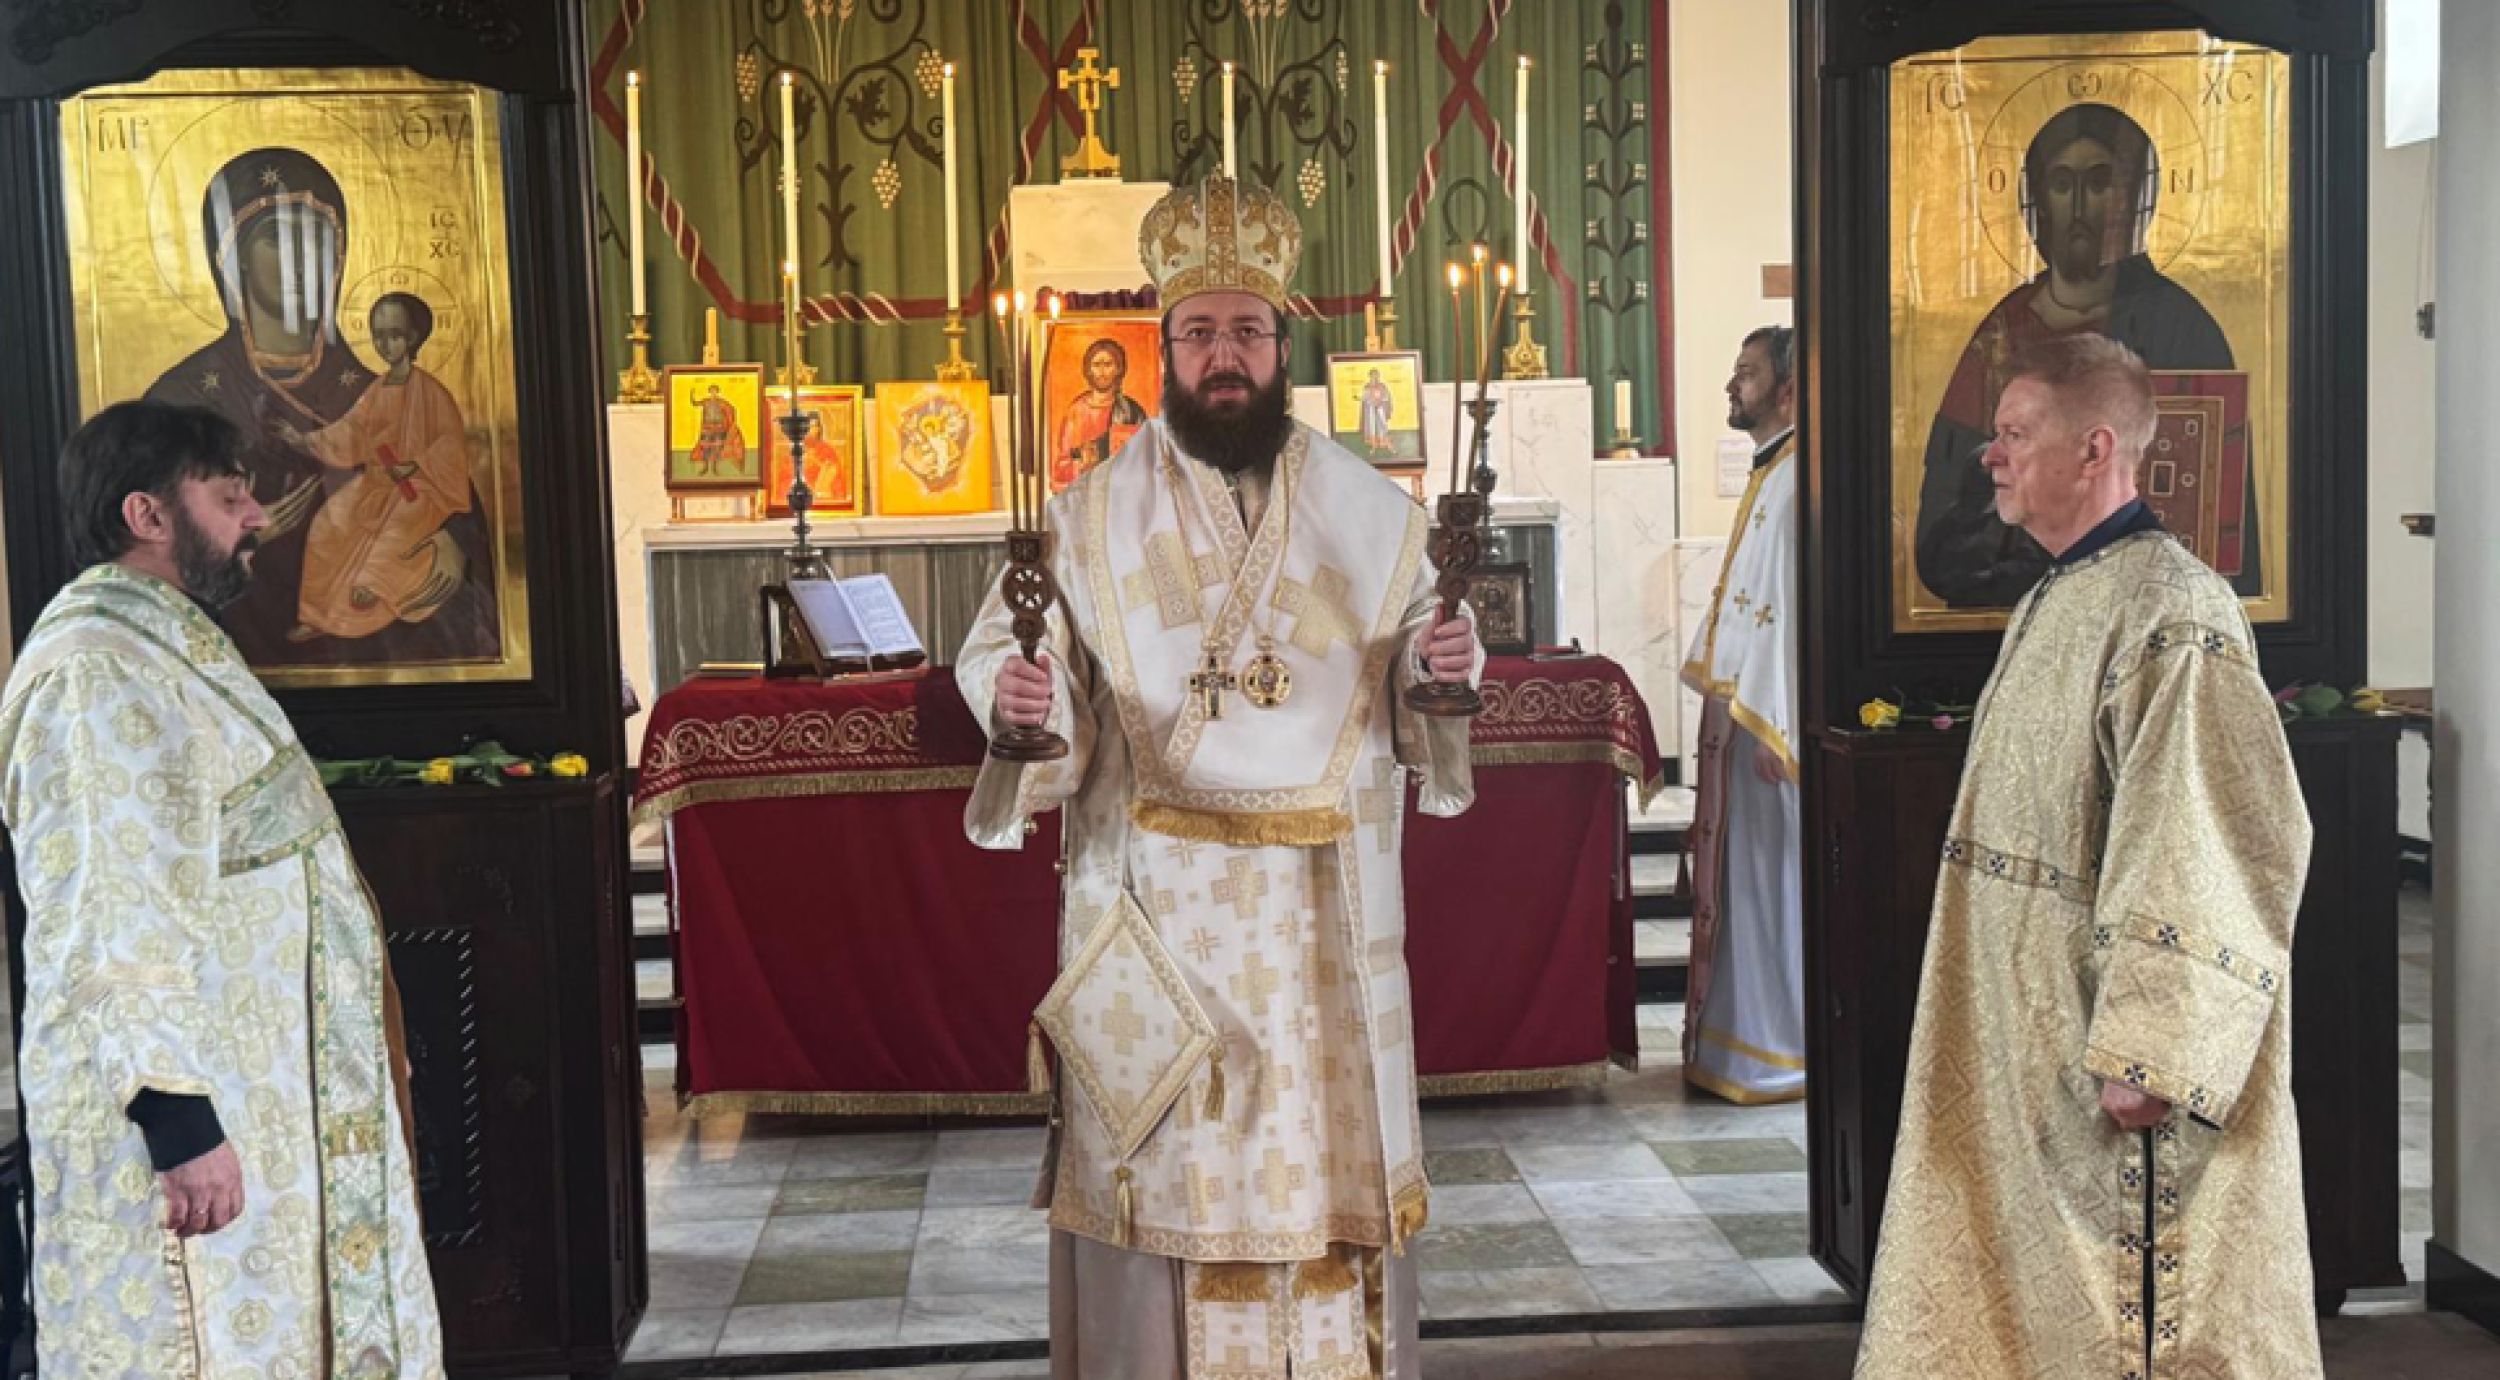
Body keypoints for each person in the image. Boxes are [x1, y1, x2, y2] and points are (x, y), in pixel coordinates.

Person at [959, 174, 1480, 1380]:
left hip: (1318, 923)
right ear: (1164, 350)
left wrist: (1443, 667)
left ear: (1282, 346)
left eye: (1246, 329)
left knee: (1318, 1159)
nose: (1223, 355)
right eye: (1198, 332)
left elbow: (1421, 655)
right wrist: (1020, 702)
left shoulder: (1369, 513)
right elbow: (1011, 655)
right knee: (1163, 1173)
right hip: (1155, 910)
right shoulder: (1087, 517)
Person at [1856, 335, 2318, 1378]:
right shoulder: (2057, 594)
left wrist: (2152, 1046)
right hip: (2026, 1030)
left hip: (2108, 1050)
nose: (1990, 455)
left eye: (2015, 433)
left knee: (2131, 1311)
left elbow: (2209, 830)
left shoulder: (2174, 610)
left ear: (2095, 448)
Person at [0, 401, 447, 1377]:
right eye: (229, 496)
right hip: (195, 1120)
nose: (255, 518)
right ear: (148, 514)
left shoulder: (159, 641)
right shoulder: (98, 671)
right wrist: (178, 1121)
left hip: (262, 1093)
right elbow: (109, 905)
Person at [1914, 102, 2257, 608]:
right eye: (2061, 184)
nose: (2078, 205)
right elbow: (1946, 521)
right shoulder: (2002, 331)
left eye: (2099, 183)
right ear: (2038, 201)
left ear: (2134, 200)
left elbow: (2214, 507)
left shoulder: (2179, 325)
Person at [1678, 325, 1804, 1104]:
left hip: (1768, 727)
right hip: (1747, 717)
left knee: (1768, 890)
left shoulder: (1795, 482)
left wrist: (1779, 720)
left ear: (1787, 389)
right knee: (1742, 886)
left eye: (1747, 373)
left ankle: (1776, 1048)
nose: (1733, 385)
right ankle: (1737, 1042)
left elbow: (1792, 612)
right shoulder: (1774, 473)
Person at [281, 291, 483, 645]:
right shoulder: (376, 390)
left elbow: (450, 445)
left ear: (413, 337)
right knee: (327, 524)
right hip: (375, 484)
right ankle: (316, 616)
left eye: (395, 335)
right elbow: (351, 432)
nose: (385, 345)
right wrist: (303, 440)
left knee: (397, 529)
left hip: (420, 489)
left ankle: (374, 586)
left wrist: (415, 466)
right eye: (378, 336)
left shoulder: (431, 392)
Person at [1054, 337, 1150, 489]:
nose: (1102, 372)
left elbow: (1146, 459)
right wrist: (1081, 463)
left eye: (1108, 364)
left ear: (1118, 369)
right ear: (1088, 369)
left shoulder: (1132, 411)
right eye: (1097, 365)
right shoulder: (1076, 412)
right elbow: (1061, 467)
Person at [692, 383, 748, 476]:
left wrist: (730, 420)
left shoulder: (722, 402)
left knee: (717, 447)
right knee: (705, 447)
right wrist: (692, 395)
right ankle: (705, 467)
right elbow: (695, 403)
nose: (713, 393)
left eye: (715, 391)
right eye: (711, 391)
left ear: (717, 392)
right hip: (707, 427)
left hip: (719, 427)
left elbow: (731, 409)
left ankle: (714, 468)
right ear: (709, 392)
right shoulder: (706, 401)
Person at [1358, 368, 1394, 456]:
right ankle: (1373, 445)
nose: (1375, 377)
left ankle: (1386, 444)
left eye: (1376, 375)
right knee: (1372, 426)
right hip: (1371, 408)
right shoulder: (1367, 386)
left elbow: (1387, 396)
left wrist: (1381, 401)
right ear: (1370, 376)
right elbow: (1364, 398)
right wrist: (1368, 400)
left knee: (1383, 425)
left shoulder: (1382, 386)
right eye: (1373, 375)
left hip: (1380, 407)